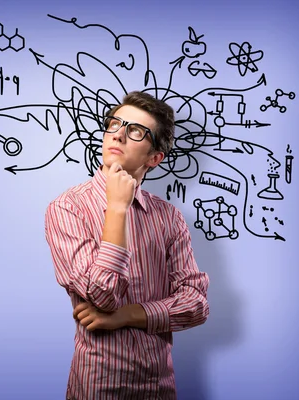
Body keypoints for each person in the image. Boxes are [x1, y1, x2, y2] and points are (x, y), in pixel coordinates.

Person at [44, 91, 210, 400]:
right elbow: (102, 296)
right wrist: (117, 208)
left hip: (160, 386)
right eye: (115, 124)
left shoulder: (169, 217)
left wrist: (129, 315)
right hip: (99, 386)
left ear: (154, 158)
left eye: (135, 130)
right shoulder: (67, 208)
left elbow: (195, 305)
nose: (118, 134)